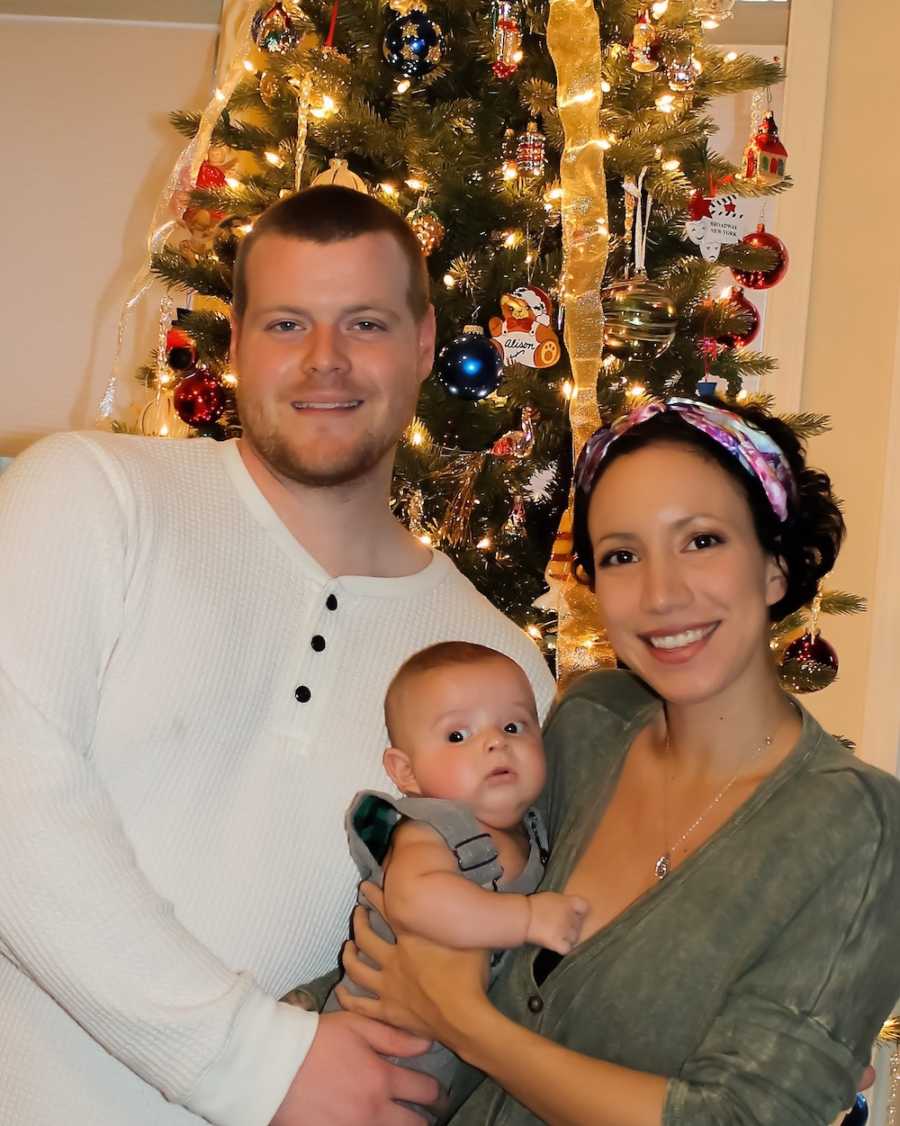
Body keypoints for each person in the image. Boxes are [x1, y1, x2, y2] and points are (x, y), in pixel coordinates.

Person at [0, 185, 555, 1126]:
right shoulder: (93, 496)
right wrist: (252, 1062)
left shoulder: (504, 670)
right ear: (237, 339)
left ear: (424, 345)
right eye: (288, 322)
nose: (324, 361)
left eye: (366, 323)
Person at [337, 396, 900, 1125]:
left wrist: (462, 1021)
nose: (662, 595)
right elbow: (450, 876)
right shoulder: (588, 723)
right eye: (623, 556)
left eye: (701, 541)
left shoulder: (858, 829)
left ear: (774, 565)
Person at [321, 642, 586, 1117]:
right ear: (406, 772)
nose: (495, 742)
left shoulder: (537, 832)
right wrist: (526, 916)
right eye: (458, 735)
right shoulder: (431, 830)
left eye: (512, 726)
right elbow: (416, 901)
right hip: (368, 1057)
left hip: (442, 1076)